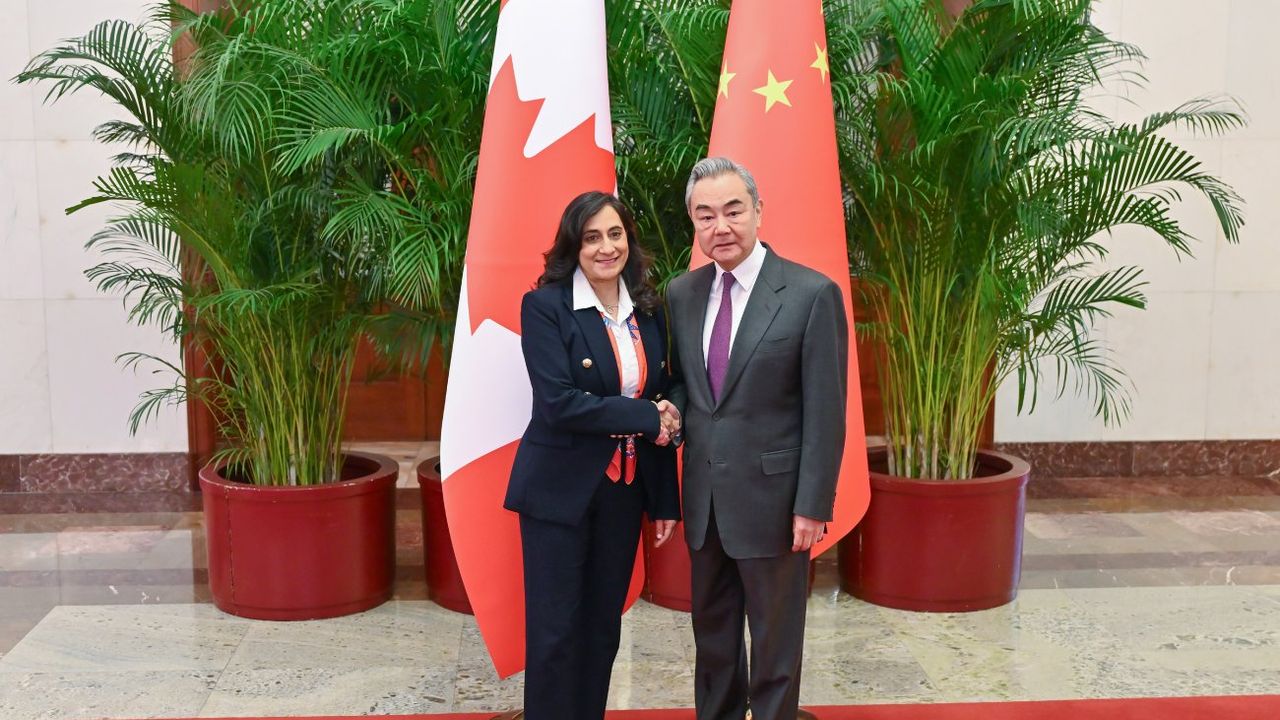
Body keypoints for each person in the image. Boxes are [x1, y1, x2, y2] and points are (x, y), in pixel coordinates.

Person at [665, 157, 849, 720]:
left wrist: (812, 504)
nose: (720, 227)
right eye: (705, 216)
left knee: (775, 646)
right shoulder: (681, 294)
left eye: (733, 211)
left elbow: (826, 411)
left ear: (758, 211)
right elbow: (687, 383)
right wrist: (670, 411)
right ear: (694, 225)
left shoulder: (810, 294)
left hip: (776, 504)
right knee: (713, 642)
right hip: (705, 503)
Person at [504, 191, 683, 720]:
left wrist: (664, 497)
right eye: (592, 237)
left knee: (603, 628)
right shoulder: (545, 307)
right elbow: (558, 404)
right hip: (559, 493)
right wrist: (646, 416)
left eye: (615, 234)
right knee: (556, 632)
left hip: (623, 492)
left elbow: (667, 389)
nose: (607, 248)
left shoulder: (650, 309)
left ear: (629, 239)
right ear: (573, 246)